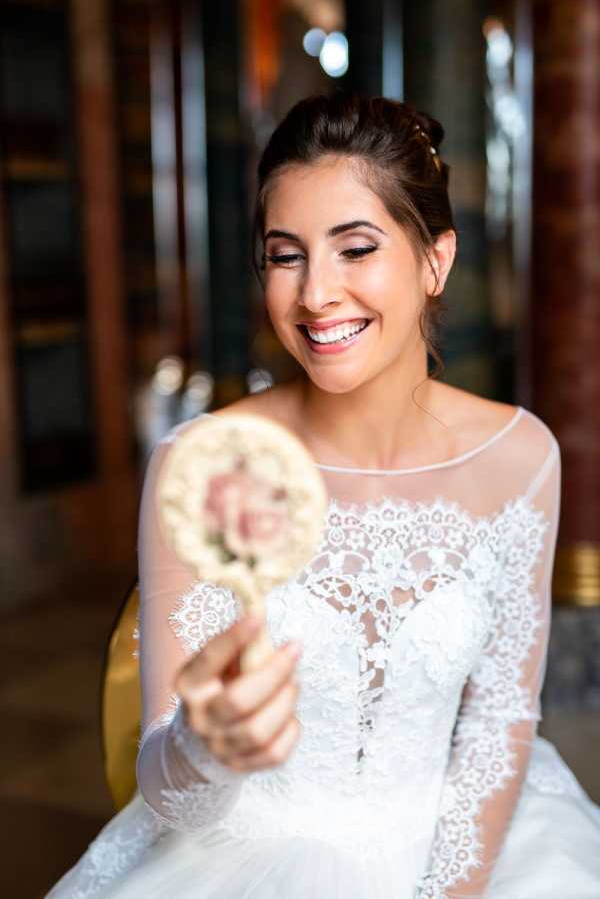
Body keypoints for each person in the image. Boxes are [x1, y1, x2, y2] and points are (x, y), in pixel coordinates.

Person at [47, 93, 600, 899]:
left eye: (356, 248)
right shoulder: (203, 464)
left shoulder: (520, 457)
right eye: (285, 255)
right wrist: (205, 748)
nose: (315, 295)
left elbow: (497, 723)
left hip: (473, 851)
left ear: (435, 259)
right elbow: (173, 797)